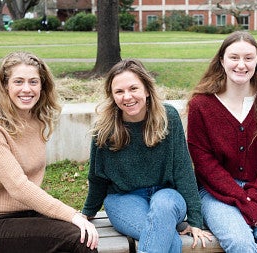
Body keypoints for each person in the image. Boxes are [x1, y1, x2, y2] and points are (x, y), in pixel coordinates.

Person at [0, 51, 99, 253]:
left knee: (83, 235)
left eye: (33, 82)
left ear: (42, 86)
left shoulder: (36, 120)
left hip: (29, 214)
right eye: (18, 82)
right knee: (80, 240)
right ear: (5, 86)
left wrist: (73, 218)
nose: (26, 89)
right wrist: (73, 214)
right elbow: (18, 187)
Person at [82, 59, 212, 252]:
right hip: (123, 200)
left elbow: (183, 170)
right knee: (167, 237)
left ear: (147, 90)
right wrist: (87, 213)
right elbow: (98, 177)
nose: (127, 97)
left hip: (167, 197)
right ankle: (169, 224)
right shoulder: (104, 130)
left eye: (133, 88)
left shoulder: (169, 118)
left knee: (163, 207)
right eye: (119, 91)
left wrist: (195, 220)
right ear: (112, 95)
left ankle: (167, 221)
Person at [186, 31, 257, 252]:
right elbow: (203, 161)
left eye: (248, 58)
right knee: (240, 242)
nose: (241, 65)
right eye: (234, 57)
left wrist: (254, 196)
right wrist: (241, 198)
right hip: (216, 192)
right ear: (222, 60)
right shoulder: (201, 105)